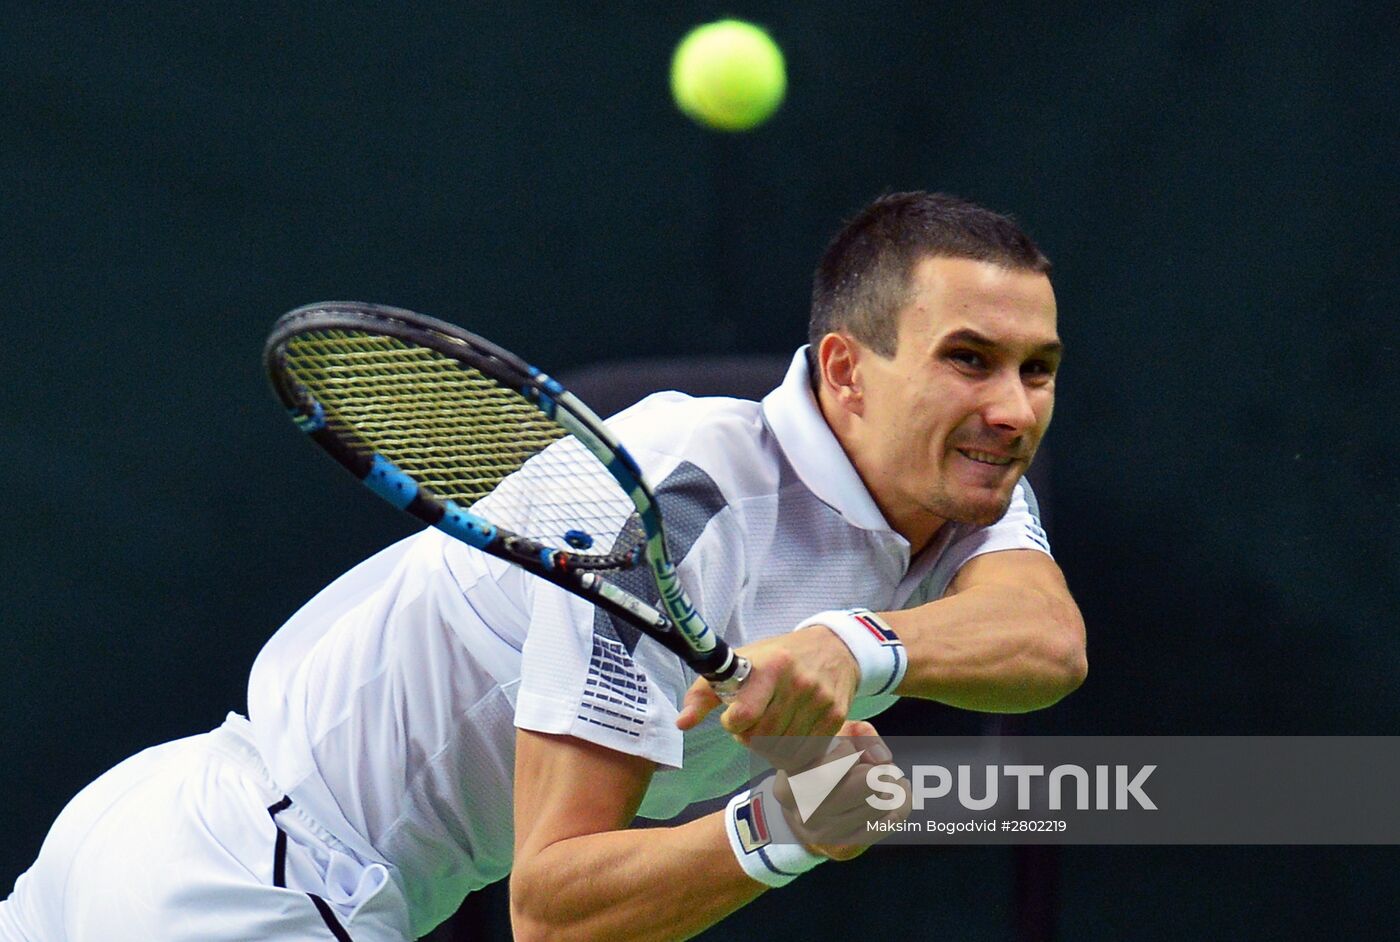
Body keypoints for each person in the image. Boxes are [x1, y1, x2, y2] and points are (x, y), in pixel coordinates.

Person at [1, 191, 1086, 942]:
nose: (1011, 408)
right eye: (967, 361)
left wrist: (852, 648)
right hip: (252, 893)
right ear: (847, 373)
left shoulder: (967, 479)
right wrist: (787, 828)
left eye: (1035, 371)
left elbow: (1043, 642)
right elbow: (556, 911)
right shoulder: (669, 503)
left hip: (170, 837)